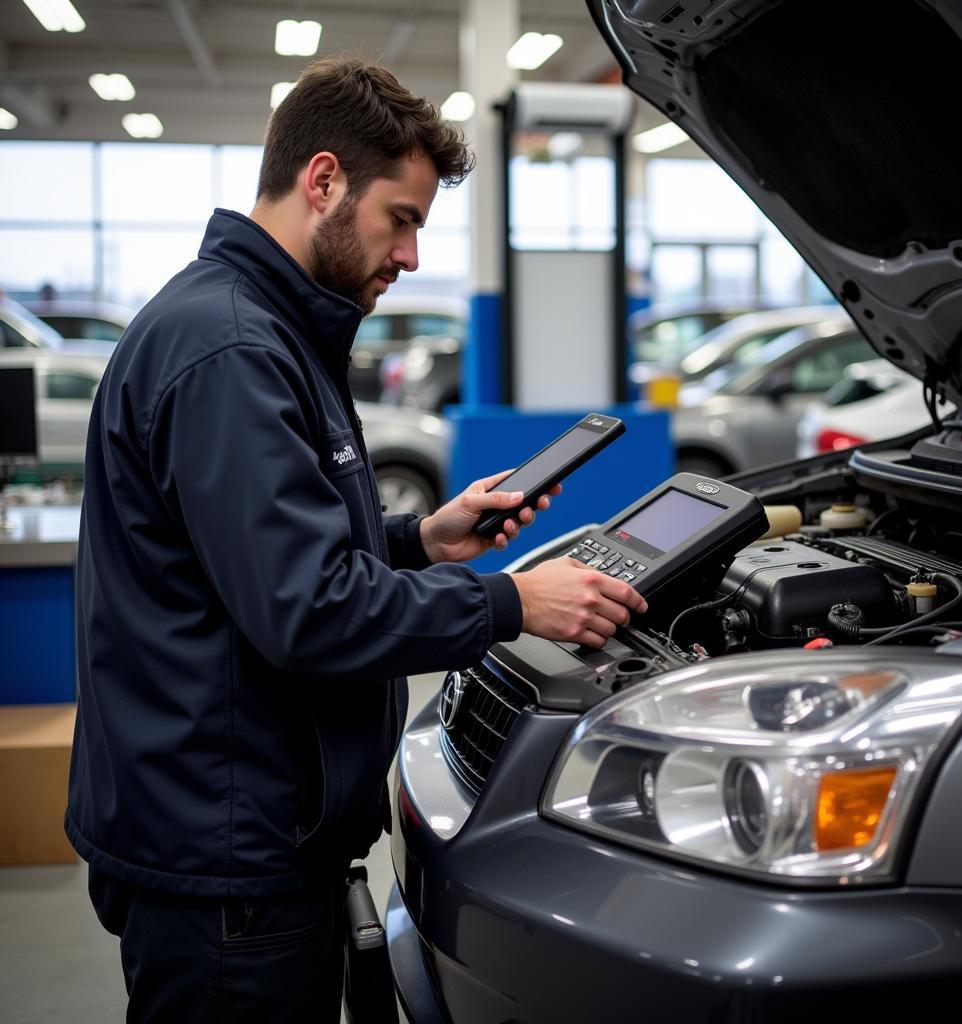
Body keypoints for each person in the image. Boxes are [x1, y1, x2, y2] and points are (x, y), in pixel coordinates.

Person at [66, 56, 646, 1022]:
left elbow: (256, 555)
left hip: (238, 829)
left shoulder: (262, 327)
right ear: (324, 180)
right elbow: (309, 610)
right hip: (226, 861)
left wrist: (420, 538)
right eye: (402, 218)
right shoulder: (235, 350)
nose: (411, 255)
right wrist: (514, 602)